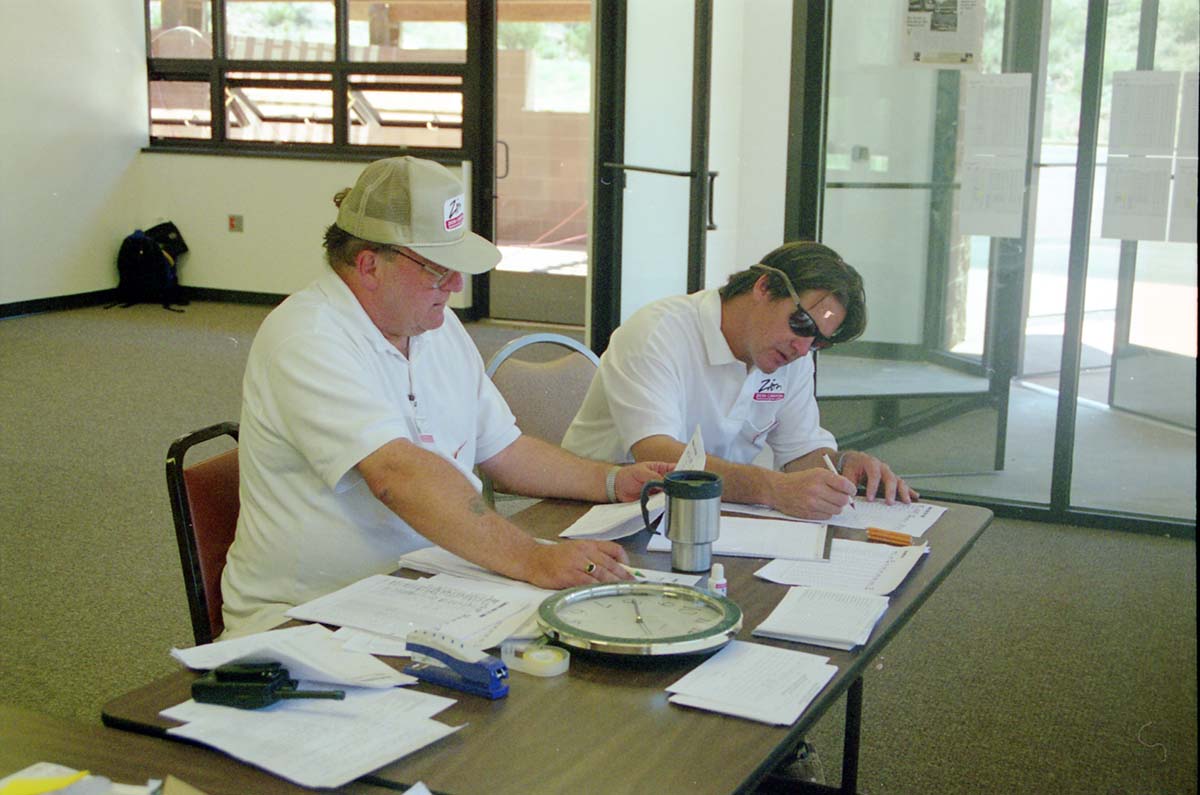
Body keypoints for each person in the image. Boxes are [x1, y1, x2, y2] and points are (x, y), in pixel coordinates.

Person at [220, 156, 671, 638]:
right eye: (438, 270)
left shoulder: (436, 327)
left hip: (423, 585)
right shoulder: (307, 338)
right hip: (313, 615)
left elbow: (504, 449)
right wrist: (533, 559)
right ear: (368, 264)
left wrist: (611, 480)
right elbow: (397, 475)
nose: (456, 285)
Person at [562, 240, 916, 521]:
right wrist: (773, 489)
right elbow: (659, 457)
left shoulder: (790, 355)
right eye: (802, 325)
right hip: (599, 512)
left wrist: (840, 466)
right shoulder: (657, 333)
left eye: (819, 341)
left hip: (706, 513)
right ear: (764, 287)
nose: (803, 347)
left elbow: (800, 451)